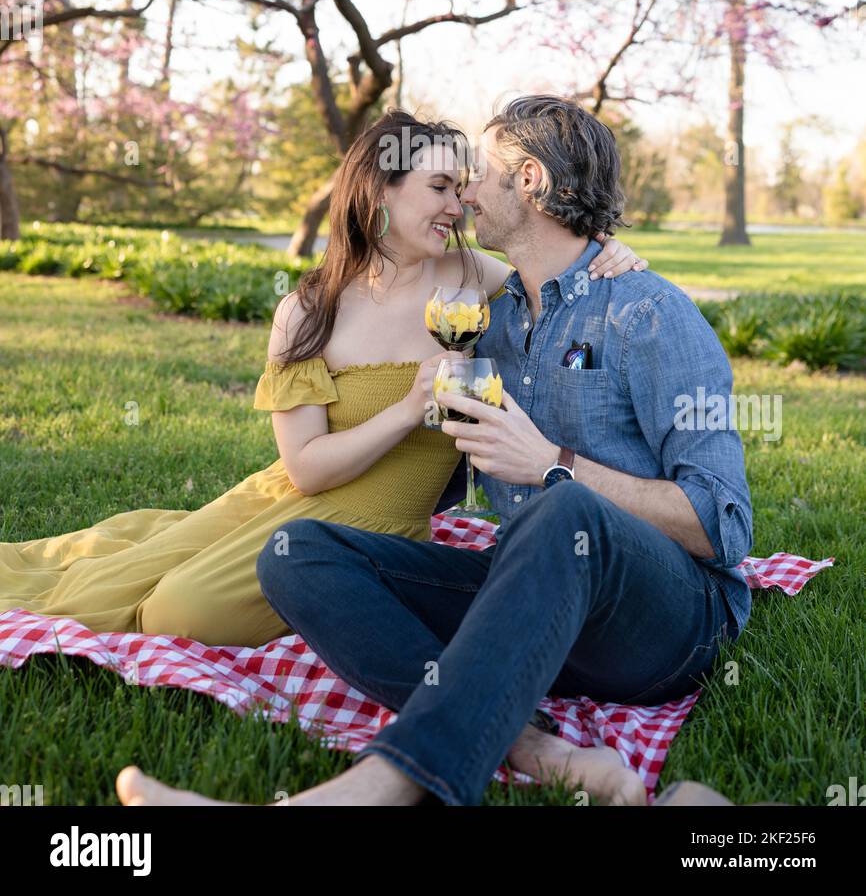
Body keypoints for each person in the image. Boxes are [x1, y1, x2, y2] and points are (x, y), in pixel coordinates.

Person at [115, 96, 756, 809]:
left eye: (477, 174)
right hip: (539, 607)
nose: (465, 195)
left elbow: (724, 527)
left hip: (662, 625)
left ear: (532, 183)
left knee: (564, 509)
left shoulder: (648, 313)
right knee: (301, 554)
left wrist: (554, 463)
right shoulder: (493, 315)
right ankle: (538, 748)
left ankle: (368, 792)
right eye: (447, 183)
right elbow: (442, 467)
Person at [0, 111, 641, 653]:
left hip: (383, 531)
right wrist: (411, 406)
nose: (460, 204)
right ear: (381, 191)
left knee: (180, 614)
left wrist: (612, 252)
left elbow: (559, 278)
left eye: (463, 187)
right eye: (440, 186)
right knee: (131, 588)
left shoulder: (475, 279)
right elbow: (304, 470)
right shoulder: (309, 311)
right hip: (295, 495)